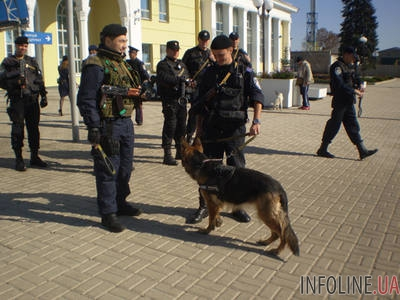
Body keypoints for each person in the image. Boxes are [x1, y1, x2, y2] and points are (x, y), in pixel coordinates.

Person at [187, 34, 265, 224]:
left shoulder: (244, 72)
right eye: (214, 55)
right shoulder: (209, 73)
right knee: (207, 171)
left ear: (231, 50)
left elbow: (257, 96)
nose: (217, 58)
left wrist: (256, 121)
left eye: (221, 54)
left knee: (236, 169)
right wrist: (199, 131)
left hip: (235, 130)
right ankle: (204, 206)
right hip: (212, 129)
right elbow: (199, 106)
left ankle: (236, 208)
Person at [77, 24, 142, 232]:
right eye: (121, 41)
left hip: (125, 123)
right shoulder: (96, 64)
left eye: (125, 40)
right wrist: (94, 127)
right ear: (107, 40)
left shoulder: (122, 63)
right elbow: (86, 98)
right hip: (108, 125)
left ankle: (120, 203)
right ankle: (108, 213)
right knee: (108, 171)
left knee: (125, 168)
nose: (125, 45)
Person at [316, 46, 378, 160]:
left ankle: (362, 150)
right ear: (346, 55)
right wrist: (354, 90)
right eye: (352, 57)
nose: (353, 59)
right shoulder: (337, 67)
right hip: (340, 101)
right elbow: (339, 84)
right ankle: (322, 149)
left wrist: (360, 84)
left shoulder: (349, 66)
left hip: (348, 101)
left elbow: (355, 77)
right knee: (334, 125)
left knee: (352, 125)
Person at [0, 36, 48, 171]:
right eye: (20, 46)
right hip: (17, 100)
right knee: (17, 129)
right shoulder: (8, 62)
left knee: (34, 129)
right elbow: (1, 80)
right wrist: (15, 82)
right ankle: (19, 158)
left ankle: (34, 156)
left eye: (25, 46)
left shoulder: (31, 61)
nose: (23, 48)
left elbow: (39, 78)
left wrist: (44, 95)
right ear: (16, 46)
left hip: (32, 100)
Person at [156, 40, 191, 166]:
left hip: (181, 100)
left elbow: (187, 77)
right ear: (167, 50)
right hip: (170, 100)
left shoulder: (182, 64)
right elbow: (165, 78)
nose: (175, 52)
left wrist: (189, 83)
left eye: (177, 50)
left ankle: (180, 151)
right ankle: (167, 154)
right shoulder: (163, 65)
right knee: (170, 126)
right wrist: (178, 79)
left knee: (182, 127)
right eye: (173, 50)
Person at [182, 30, 215, 143]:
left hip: (207, 87)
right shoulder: (191, 53)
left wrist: (213, 60)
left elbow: (217, 68)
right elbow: (183, 68)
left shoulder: (211, 54)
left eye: (206, 41)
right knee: (195, 111)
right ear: (198, 40)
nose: (204, 43)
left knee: (206, 111)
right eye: (202, 40)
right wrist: (188, 79)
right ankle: (190, 134)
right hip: (195, 86)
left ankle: (202, 135)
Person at [126, 46, 150, 125]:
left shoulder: (139, 63)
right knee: (127, 103)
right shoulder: (127, 62)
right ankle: (126, 118)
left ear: (135, 54)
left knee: (138, 104)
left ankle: (139, 120)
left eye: (132, 53)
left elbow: (145, 75)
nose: (130, 54)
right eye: (129, 53)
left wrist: (141, 85)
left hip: (137, 86)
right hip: (128, 86)